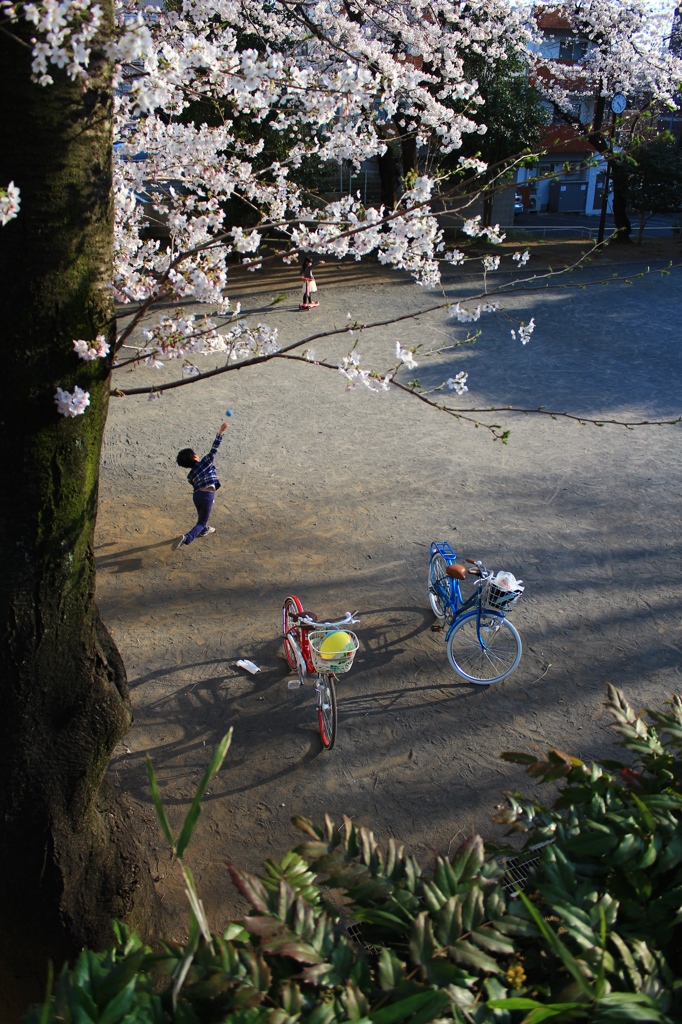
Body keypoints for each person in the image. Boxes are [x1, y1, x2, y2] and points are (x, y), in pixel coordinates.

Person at [175, 421, 228, 549]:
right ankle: (187, 537)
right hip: (207, 496)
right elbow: (214, 447)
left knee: (202, 516)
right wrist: (221, 431)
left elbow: (194, 484)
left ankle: (204, 530)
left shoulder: (190, 475)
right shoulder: (206, 461)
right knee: (201, 521)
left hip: (197, 496)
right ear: (195, 456)